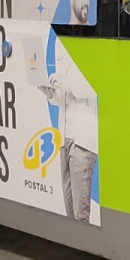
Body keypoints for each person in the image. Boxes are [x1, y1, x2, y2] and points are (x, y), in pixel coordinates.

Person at [38, 39, 98, 222]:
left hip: (84, 137)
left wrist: (66, 83)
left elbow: (94, 90)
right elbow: (63, 97)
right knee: (69, 208)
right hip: (64, 136)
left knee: (80, 212)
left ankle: (86, 246)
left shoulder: (94, 42)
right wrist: (51, 93)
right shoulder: (59, 42)